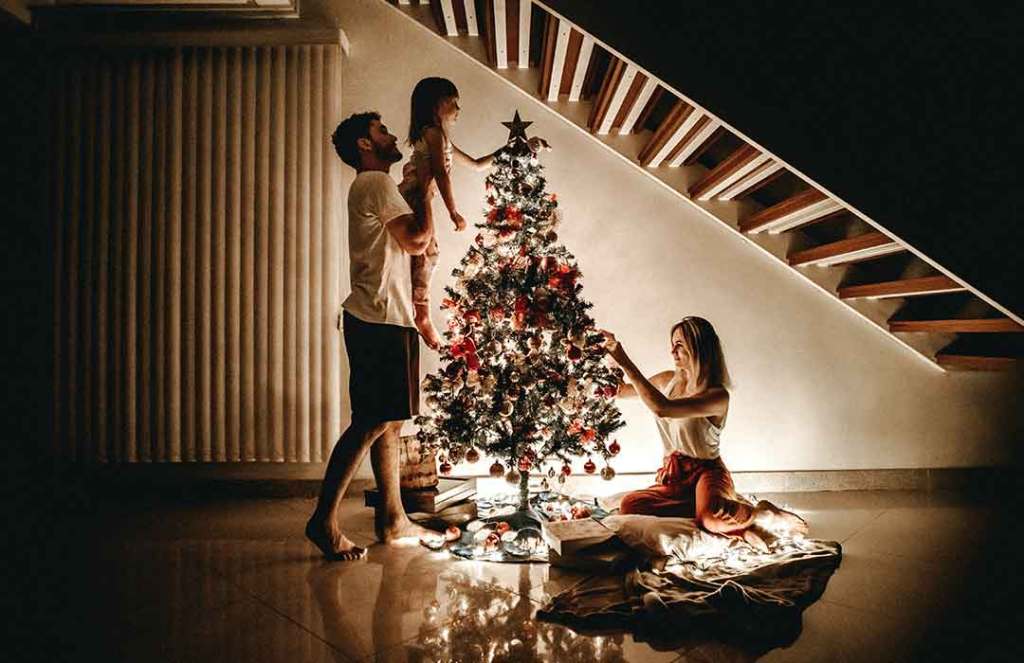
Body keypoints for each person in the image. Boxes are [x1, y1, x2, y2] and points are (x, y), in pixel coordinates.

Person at [306, 111, 437, 561]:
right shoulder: (375, 184)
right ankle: (323, 521)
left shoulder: (376, 188)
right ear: (365, 144)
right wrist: (429, 189)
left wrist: (415, 188)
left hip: (386, 316)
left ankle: (393, 518)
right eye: (381, 131)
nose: (391, 135)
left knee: (389, 420)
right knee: (371, 420)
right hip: (378, 318)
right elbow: (418, 239)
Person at [601, 317, 808, 551]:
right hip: (675, 475)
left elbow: (662, 408)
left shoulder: (717, 396)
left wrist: (624, 359)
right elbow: (619, 392)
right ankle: (716, 508)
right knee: (630, 504)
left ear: (698, 347)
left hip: (707, 473)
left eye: (679, 344)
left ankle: (760, 513)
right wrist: (611, 356)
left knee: (710, 518)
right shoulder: (667, 379)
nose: (672, 350)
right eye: (672, 343)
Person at [400, 77, 548, 349]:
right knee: (424, 253)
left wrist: (518, 146)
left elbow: (478, 164)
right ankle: (420, 313)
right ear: (436, 105)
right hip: (415, 198)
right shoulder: (431, 133)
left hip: (422, 199)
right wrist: (453, 212)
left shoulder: (442, 138)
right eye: (453, 103)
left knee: (429, 253)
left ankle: (419, 310)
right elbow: (441, 174)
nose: (458, 110)